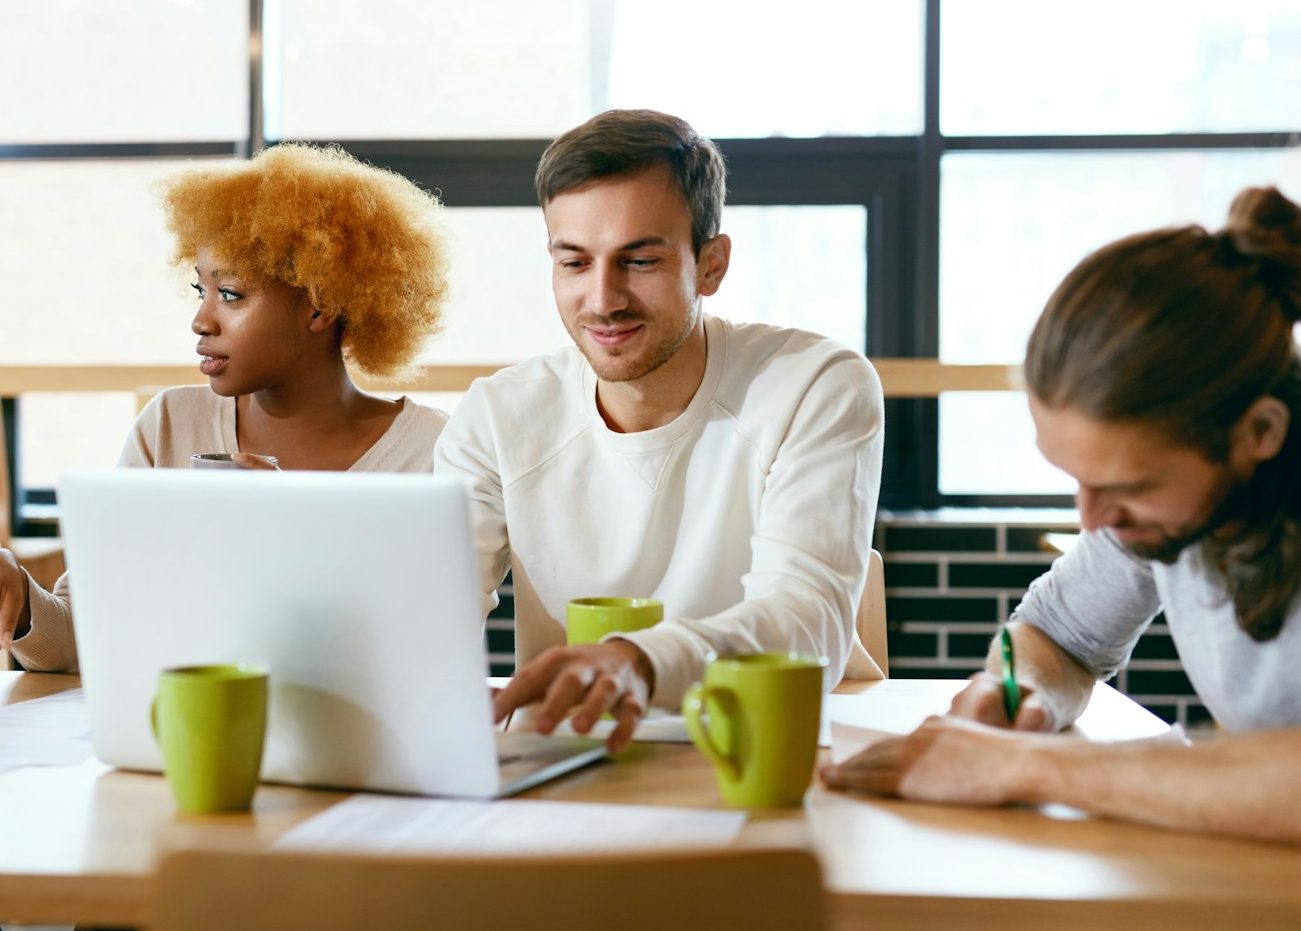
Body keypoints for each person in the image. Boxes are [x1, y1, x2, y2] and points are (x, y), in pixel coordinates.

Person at [822, 186, 1301, 845]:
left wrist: (1030, 767)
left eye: (1127, 485)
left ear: (1261, 431)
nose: (1092, 518)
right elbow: (1055, 635)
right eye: (1077, 478)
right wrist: (1021, 694)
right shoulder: (1159, 511)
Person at [434, 109, 885, 752]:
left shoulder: (813, 384)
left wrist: (638, 661)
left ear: (711, 265)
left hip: (762, 750)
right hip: (577, 758)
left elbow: (805, 621)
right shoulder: (497, 416)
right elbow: (429, 614)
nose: (602, 299)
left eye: (639, 260)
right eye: (574, 263)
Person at [0, 143, 452, 672]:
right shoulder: (170, 426)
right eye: (201, 289)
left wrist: (294, 535)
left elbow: (425, 654)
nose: (201, 320)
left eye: (231, 294)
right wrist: (23, 601)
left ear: (320, 306)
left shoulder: (432, 453)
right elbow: (92, 635)